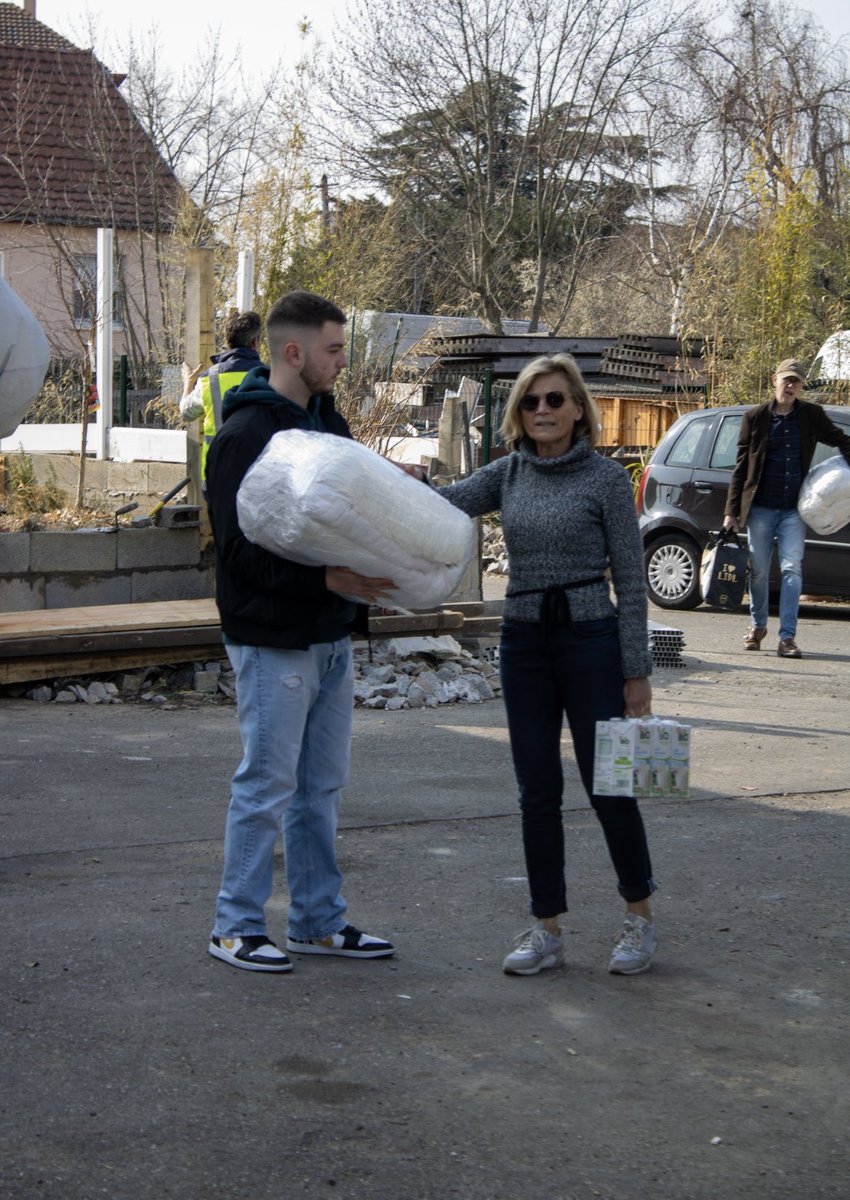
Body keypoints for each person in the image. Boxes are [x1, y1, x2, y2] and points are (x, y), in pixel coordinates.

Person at [438, 353, 658, 977]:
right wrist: (377, 478)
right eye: (532, 402)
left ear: (578, 409)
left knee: (609, 785)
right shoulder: (508, 475)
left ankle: (638, 917)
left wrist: (635, 671)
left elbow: (634, 584)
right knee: (537, 789)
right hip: (525, 641)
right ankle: (547, 928)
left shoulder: (607, 480)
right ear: (518, 413)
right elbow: (444, 503)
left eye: (555, 400)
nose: (543, 411)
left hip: (591, 640)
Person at [205, 290, 397, 973]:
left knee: (320, 789)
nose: (343, 362)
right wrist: (325, 584)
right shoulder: (244, 437)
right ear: (294, 352)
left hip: (329, 635)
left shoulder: (329, 427)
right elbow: (235, 556)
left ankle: (318, 921)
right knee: (266, 785)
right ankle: (236, 925)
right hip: (272, 639)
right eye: (334, 350)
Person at [723, 357, 850, 659]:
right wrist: (731, 512)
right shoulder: (754, 418)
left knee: (792, 570)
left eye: (796, 381)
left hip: (795, 511)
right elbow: (740, 468)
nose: (791, 385)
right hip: (761, 510)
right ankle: (758, 626)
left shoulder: (811, 416)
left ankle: (787, 637)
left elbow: (840, 440)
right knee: (759, 572)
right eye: (786, 379)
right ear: (774, 381)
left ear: (802, 386)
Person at [180, 310, 264, 481]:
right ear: (256, 342)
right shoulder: (271, 377)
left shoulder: (210, 379)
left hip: (218, 474)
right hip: (258, 475)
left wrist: (188, 383)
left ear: (227, 341)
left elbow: (186, 412)